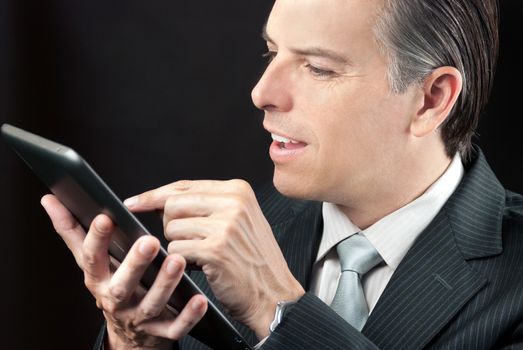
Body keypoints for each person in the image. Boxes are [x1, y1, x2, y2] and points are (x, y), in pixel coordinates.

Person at [41, 0, 523, 349]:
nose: (262, 92)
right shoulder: (228, 242)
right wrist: (135, 343)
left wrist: (276, 307)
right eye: (273, 53)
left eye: (317, 68)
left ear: (432, 98)